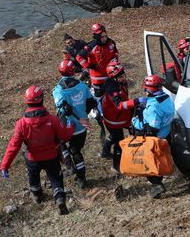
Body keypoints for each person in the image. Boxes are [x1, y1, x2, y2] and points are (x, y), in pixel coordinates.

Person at [0, 86, 75, 215]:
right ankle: (59, 198)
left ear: (27, 102)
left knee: (33, 177)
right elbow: (64, 136)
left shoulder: (21, 124)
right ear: (42, 100)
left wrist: (5, 165)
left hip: (32, 158)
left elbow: (14, 146)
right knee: (56, 178)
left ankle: (37, 195)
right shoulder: (53, 120)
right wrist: (71, 127)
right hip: (51, 157)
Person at [76, 23, 120, 158]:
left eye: (105, 35)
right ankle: (99, 114)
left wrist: (114, 62)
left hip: (110, 77)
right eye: (102, 36)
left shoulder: (111, 43)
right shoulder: (90, 46)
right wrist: (89, 66)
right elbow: (79, 57)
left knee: (112, 99)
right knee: (100, 101)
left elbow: (116, 54)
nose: (105, 38)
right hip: (97, 80)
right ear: (96, 36)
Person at [52, 60, 97, 189]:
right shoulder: (82, 86)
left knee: (60, 142)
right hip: (81, 127)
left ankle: (68, 165)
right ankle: (81, 179)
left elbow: (62, 106)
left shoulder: (58, 90)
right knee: (76, 151)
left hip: (65, 126)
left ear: (60, 72)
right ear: (73, 71)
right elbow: (91, 103)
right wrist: (83, 114)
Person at [131, 75, 175, 198]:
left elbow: (152, 128)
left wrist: (135, 122)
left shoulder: (153, 106)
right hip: (167, 133)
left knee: (150, 163)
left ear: (148, 89)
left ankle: (157, 185)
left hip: (156, 138)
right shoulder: (166, 97)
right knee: (161, 159)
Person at [101, 60, 144, 173]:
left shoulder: (120, 83)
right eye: (120, 76)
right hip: (114, 120)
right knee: (119, 143)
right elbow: (119, 105)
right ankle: (116, 167)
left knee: (114, 136)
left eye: (123, 75)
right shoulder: (112, 89)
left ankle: (105, 151)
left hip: (120, 117)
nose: (124, 78)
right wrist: (135, 102)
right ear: (114, 78)